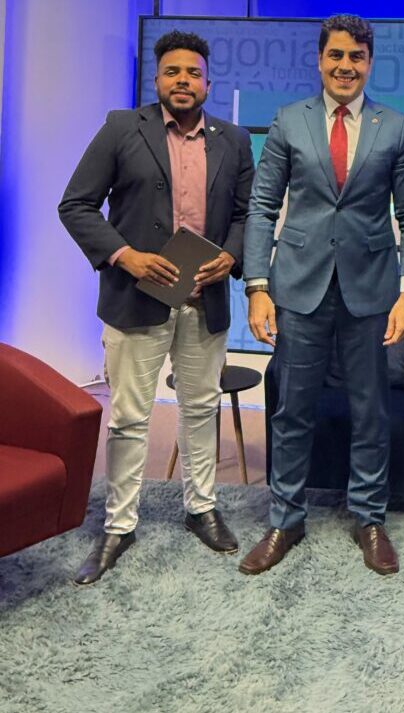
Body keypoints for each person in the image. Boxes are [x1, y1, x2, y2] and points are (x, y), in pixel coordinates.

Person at [59, 30, 255, 584]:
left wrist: (232, 256)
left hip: (204, 300)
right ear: (157, 79)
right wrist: (126, 256)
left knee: (200, 408)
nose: (183, 81)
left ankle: (201, 508)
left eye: (193, 73)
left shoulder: (235, 139)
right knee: (129, 418)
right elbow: (76, 205)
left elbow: (246, 214)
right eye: (173, 72)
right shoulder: (123, 128)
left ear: (208, 83)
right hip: (136, 297)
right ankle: (119, 525)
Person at [239, 14, 404, 577]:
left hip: (371, 289)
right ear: (320, 60)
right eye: (337, 55)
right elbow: (261, 208)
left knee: (371, 411)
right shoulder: (288, 120)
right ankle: (285, 519)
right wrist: (257, 286)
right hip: (299, 287)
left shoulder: (395, 126)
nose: (346, 66)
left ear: (370, 62)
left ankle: (369, 518)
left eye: (357, 57)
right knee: (292, 409)